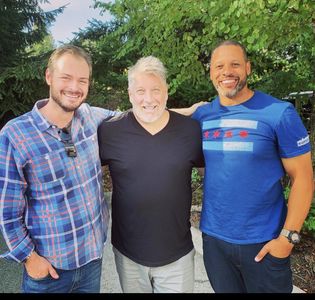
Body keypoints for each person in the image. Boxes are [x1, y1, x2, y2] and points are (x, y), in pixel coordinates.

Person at [192, 40, 314, 293]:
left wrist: (288, 238)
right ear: (211, 73)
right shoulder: (202, 117)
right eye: (219, 66)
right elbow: (156, 114)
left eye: (235, 64)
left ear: (247, 68)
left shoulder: (278, 113)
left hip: (264, 242)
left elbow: (302, 177)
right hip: (214, 242)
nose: (227, 71)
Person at [0, 45, 118, 293]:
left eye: (82, 80)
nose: (75, 87)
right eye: (66, 77)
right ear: (49, 76)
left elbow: (135, 116)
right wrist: (30, 259)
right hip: (48, 272)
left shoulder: (90, 116)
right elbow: (8, 211)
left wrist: (191, 113)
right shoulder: (15, 134)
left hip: (91, 262)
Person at [97, 56, 204, 293]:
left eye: (156, 90)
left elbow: (213, 176)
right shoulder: (109, 131)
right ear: (130, 93)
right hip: (129, 255)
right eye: (141, 90)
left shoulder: (191, 130)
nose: (148, 98)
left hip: (178, 255)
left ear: (166, 91)